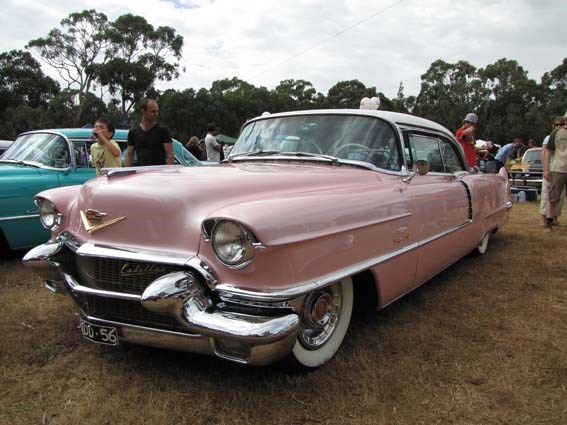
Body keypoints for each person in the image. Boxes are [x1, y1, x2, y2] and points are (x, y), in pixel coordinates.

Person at [126, 98, 174, 167]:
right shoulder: (133, 132)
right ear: (143, 111)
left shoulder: (163, 130)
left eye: (157, 111)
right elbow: (130, 155)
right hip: (141, 174)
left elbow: (170, 154)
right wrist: (128, 173)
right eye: (153, 111)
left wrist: (168, 172)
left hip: (159, 174)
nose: (156, 114)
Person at [542, 115, 567, 231]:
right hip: (558, 169)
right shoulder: (556, 133)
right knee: (553, 197)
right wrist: (546, 169)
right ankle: (548, 222)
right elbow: (548, 151)